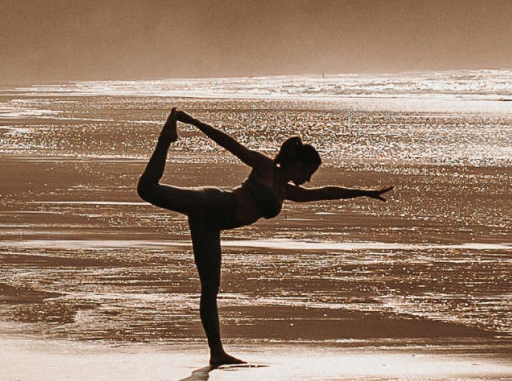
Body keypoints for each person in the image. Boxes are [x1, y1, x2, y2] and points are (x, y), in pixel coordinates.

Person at [135, 109, 392, 367]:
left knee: (210, 288)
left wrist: (363, 193)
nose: (309, 179)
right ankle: (166, 138)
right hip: (211, 202)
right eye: (309, 172)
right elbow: (229, 144)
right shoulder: (264, 168)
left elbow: (323, 193)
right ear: (298, 165)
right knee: (147, 189)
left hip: (210, 224)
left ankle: (217, 352)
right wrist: (193, 122)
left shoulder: (285, 191)